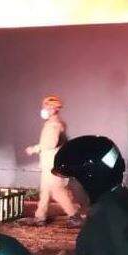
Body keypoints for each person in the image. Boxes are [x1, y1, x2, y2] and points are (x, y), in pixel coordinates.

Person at [24, 95, 83, 226]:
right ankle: (40, 217)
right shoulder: (54, 123)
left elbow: (50, 143)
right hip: (49, 163)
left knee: (57, 191)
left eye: (46, 107)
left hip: (52, 164)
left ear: (53, 109)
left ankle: (75, 216)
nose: (44, 110)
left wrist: (34, 149)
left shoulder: (54, 125)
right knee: (45, 191)